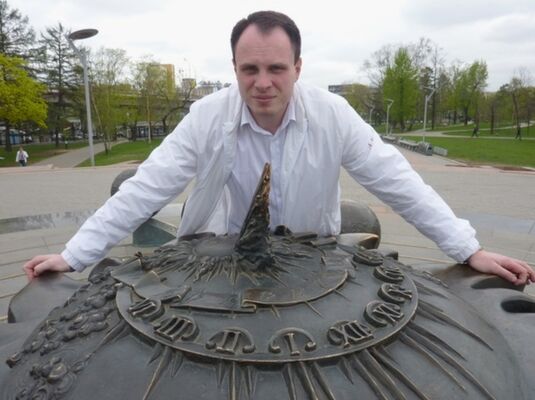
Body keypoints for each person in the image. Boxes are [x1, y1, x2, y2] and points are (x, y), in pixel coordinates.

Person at [23, 11, 534, 286]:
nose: (262, 82)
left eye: (276, 68)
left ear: (298, 67)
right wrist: (74, 255)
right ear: (234, 68)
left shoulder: (333, 115)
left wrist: (469, 250)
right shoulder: (206, 116)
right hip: (226, 256)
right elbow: (145, 189)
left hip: (316, 259)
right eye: (250, 69)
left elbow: (399, 183)